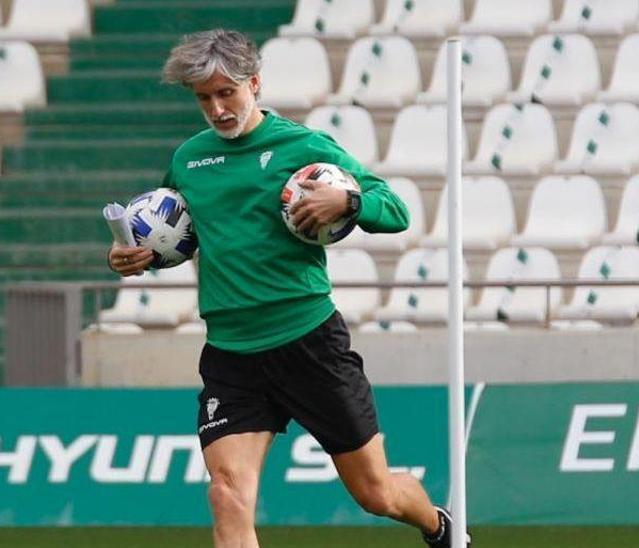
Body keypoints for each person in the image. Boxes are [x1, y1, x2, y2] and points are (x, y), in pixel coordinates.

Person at [107, 29, 469, 548]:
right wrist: (130, 256)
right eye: (204, 98)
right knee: (226, 492)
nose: (217, 108)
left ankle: (438, 526)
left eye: (227, 92)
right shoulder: (189, 159)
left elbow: (394, 209)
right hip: (231, 353)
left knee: (376, 494)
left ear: (254, 83)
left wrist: (347, 204)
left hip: (309, 344)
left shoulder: (302, 146)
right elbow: (171, 234)